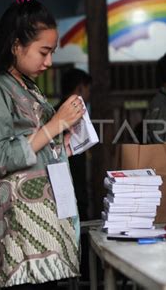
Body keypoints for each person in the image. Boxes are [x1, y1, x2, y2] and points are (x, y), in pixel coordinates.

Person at [0, 0, 83, 289]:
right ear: (16, 45)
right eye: (43, 52)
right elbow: (0, 157)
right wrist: (55, 124)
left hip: (47, 221)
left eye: (52, 52)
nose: (48, 62)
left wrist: (64, 139)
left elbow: (37, 145)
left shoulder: (27, 86)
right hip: (20, 231)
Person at [58, 68, 92, 220]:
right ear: (79, 87)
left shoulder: (55, 111)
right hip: (69, 186)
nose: (89, 93)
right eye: (87, 88)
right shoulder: (68, 113)